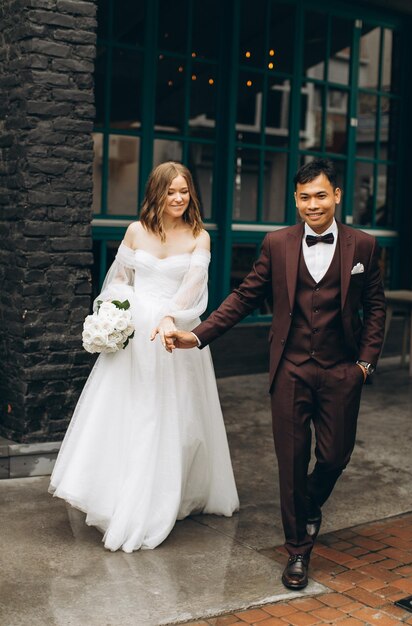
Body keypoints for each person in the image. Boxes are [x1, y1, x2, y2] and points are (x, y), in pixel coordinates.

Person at [162, 159, 386, 589]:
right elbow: (245, 296)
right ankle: (297, 551)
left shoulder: (364, 247)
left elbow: (375, 307)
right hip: (291, 369)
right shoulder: (277, 244)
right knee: (291, 462)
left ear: (336, 195)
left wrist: (364, 365)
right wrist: (198, 334)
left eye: (321, 195)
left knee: (336, 456)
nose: (312, 205)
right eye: (304, 197)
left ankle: (308, 505)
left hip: (342, 369)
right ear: (296, 200)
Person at [49, 162, 239, 553]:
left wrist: (169, 316)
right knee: (127, 413)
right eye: (170, 191)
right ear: (156, 194)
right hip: (135, 333)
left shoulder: (199, 236)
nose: (178, 198)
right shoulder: (136, 231)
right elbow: (120, 278)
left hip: (174, 334)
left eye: (184, 191)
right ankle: (117, 493)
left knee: (176, 417)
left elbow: (192, 288)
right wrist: (117, 311)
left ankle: (166, 493)